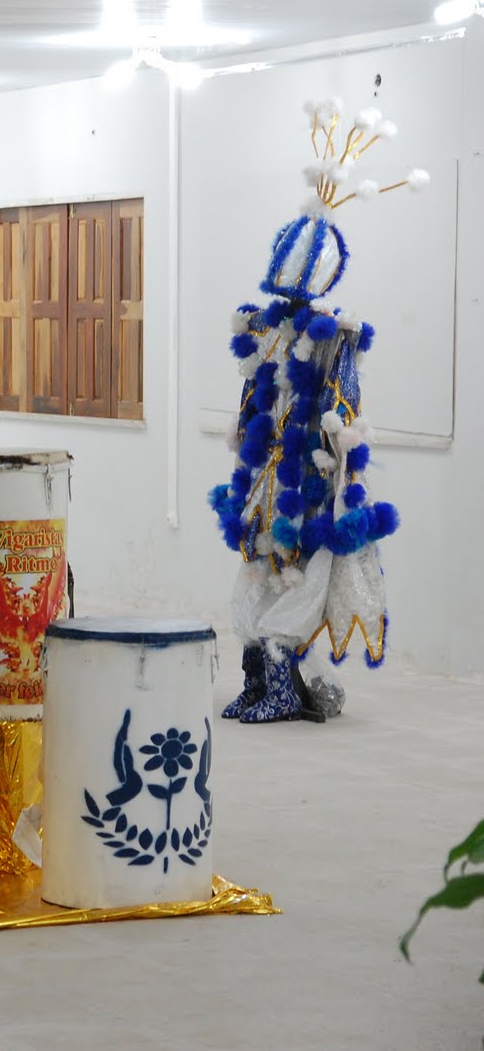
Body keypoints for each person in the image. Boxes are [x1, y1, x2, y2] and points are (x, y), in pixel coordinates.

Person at [208, 99, 422, 721]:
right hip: (267, 479)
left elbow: (341, 412)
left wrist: (337, 482)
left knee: (299, 573)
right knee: (257, 571)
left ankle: (282, 687)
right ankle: (262, 681)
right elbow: (253, 401)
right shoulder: (265, 329)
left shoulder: (333, 337)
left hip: (307, 480)